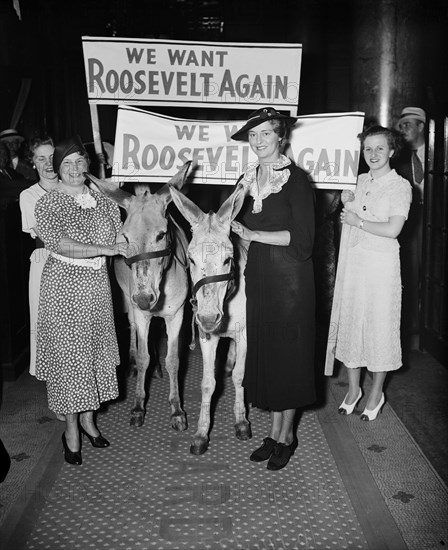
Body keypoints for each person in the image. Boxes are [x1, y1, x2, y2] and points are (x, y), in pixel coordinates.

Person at [35, 135, 132, 466]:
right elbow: (60, 244)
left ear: (88, 164)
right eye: (67, 164)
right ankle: (72, 430)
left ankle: (90, 420)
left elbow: (121, 236)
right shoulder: (49, 203)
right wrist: (108, 250)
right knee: (70, 360)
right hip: (64, 288)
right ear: (58, 170)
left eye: (80, 161)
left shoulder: (103, 200)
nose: (75, 169)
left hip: (97, 288)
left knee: (92, 353)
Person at [230, 107, 316, 471]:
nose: (259, 141)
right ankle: (275, 431)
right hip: (260, 277)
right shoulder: (246, 179)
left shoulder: (297, 180)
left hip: (291, 279)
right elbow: (229, 220)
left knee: (289, 357)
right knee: (267, 353)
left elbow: (303, 241)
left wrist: (253, 234)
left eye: (266, 133)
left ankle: (288, 435)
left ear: (281, 136)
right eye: (253, 135)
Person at [325, 125, 412, 420]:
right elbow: (341, 219)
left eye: (379, 148)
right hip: (353, 264)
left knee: (378, 328)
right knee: (351, 325)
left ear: (391, 151)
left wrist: (356, 220)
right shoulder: (358, 180)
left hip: (381, 268)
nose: (373, 154)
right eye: (367, 149)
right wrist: (344, 201)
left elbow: (393, 229)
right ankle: (353, 389)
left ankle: (376, 393)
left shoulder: (400, 186)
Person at [19, 135, 59, 378]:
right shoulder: (29, 195)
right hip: (46, 262)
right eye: (41, 158)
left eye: (53, 157)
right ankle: (53, 388)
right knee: (47, 328)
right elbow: (48, 233)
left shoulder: (77, 188)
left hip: (79, 263)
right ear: (33, 163)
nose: (48, 163)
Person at [394, 107, 426, 350]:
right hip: (409, 221)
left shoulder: (439, 153)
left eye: (407, 125)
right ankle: (413, 331)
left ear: (421, 127)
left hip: (435, 221)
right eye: (400, 125)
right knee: (411, 271)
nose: (401, 129)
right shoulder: (399, 159)